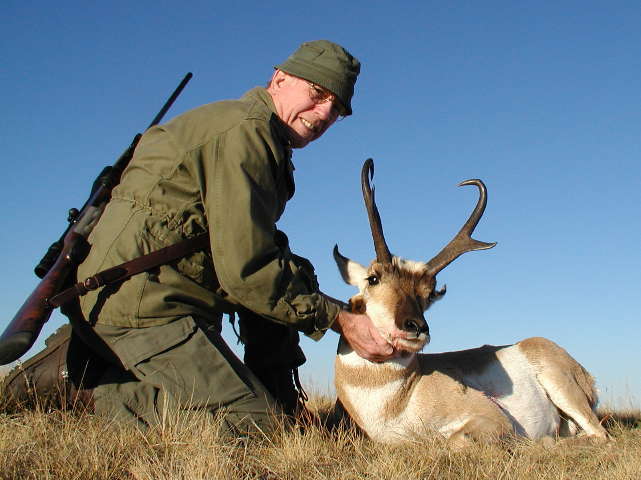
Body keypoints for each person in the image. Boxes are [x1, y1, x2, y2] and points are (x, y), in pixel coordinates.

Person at [1, 40, 394, 434]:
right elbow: (247, 271)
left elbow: (256, 253)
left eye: (337, 110)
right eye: (318, 94)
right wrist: (340, 318)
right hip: (144, 307)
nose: (324, 113)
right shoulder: (246, 136)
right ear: (279, 79)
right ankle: (88, 389)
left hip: (138, 293)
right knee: (259, 428)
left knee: (291, 269)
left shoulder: (253, 132)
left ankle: (278, 398)